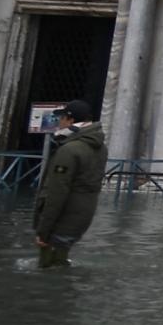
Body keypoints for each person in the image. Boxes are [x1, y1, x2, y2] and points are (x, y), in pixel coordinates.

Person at [32, 99, 105, 268]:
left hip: (60, 221)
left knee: (47, 269)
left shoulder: (69, 150)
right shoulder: (101, 148)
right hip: (81, 218)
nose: (59, 122)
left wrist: (43, 230)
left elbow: (56, 193)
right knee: (61, 263)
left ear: (70, 120)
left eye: (61, 118)